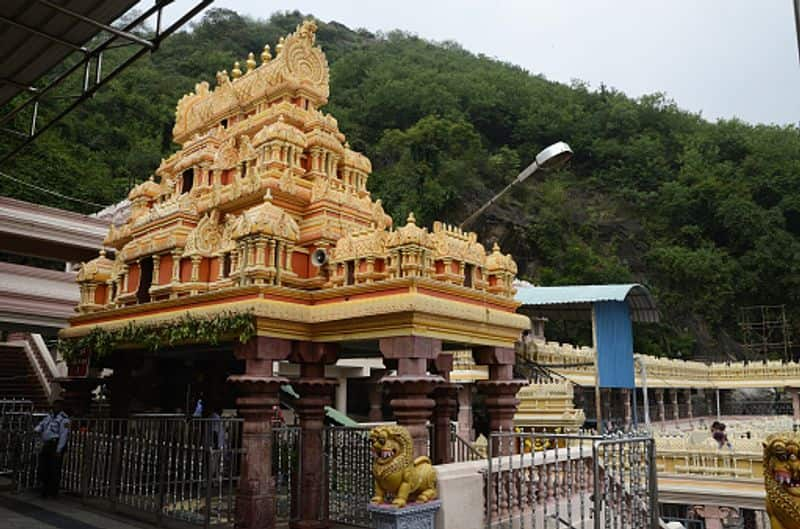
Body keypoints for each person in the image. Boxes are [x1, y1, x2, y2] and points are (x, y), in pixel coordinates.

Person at [34, 399, 70, 498]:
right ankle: (44, 489)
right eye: (54, 406)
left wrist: (59, 449)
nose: (54, 408)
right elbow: (42, 425)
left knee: (54, 469)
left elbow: (63, 435)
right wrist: (37, 429)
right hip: (46, 444)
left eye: (57, 406)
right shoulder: (49, 416)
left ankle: (53, 491)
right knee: (43, 467)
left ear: (61, 407)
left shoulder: (64, 419)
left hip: (55, 445)